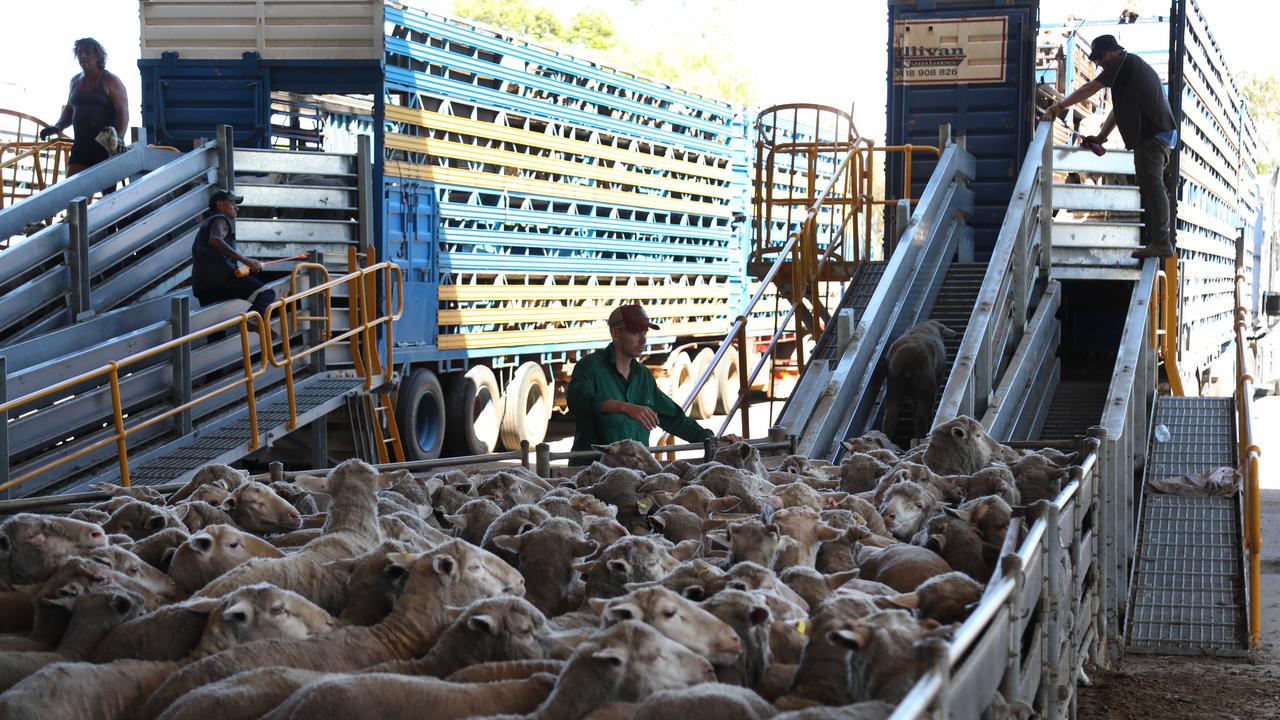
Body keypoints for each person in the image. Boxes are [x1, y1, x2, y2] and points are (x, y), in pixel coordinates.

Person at [1046, 34, 1178, 259]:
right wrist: (1100, 137)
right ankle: (1157, 240)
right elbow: (1118, 112)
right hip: (1155, 135)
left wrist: (1060, 106)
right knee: (1148, 184)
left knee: (1152, 184)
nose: (1099, 63)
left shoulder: (1124, 63)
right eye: (1096, 60)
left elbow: (1089, 89)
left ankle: (1162, 242)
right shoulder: (1125, 75)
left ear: (1113, 51)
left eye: (1100, 57)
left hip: (1154, 134)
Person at [566, 304, 741, 465]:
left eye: (645, 333)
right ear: (615, 334)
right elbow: (577, 400)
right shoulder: (590, 366)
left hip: (635, 475)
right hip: (591, 474)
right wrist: (625, 407)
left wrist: (711, 440)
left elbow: (674, 418)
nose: (643, 340)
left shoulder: (642, 376)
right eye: (635, 333)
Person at [39, 38, 130, 176]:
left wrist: (120, 137)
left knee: (110, 195)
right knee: (72, 192)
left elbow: (123, 112)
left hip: (106, 146)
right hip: (81, 147)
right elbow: (70, 109)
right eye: (79, 52)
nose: (82, 56)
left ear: (98, 55)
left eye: (87, 52)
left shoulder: (111, 80)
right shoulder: (74, 81)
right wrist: (58, 126)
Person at [191, 189, 276, 316]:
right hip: (222, 279)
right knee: (267, 293)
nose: (237, 208)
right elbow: (215, 240)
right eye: (233, 204)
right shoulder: (220, 218)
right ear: (220, 205)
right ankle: (253, 319)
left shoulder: (205, 226)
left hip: (202, 286)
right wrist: (246, 260)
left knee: (216, 329)